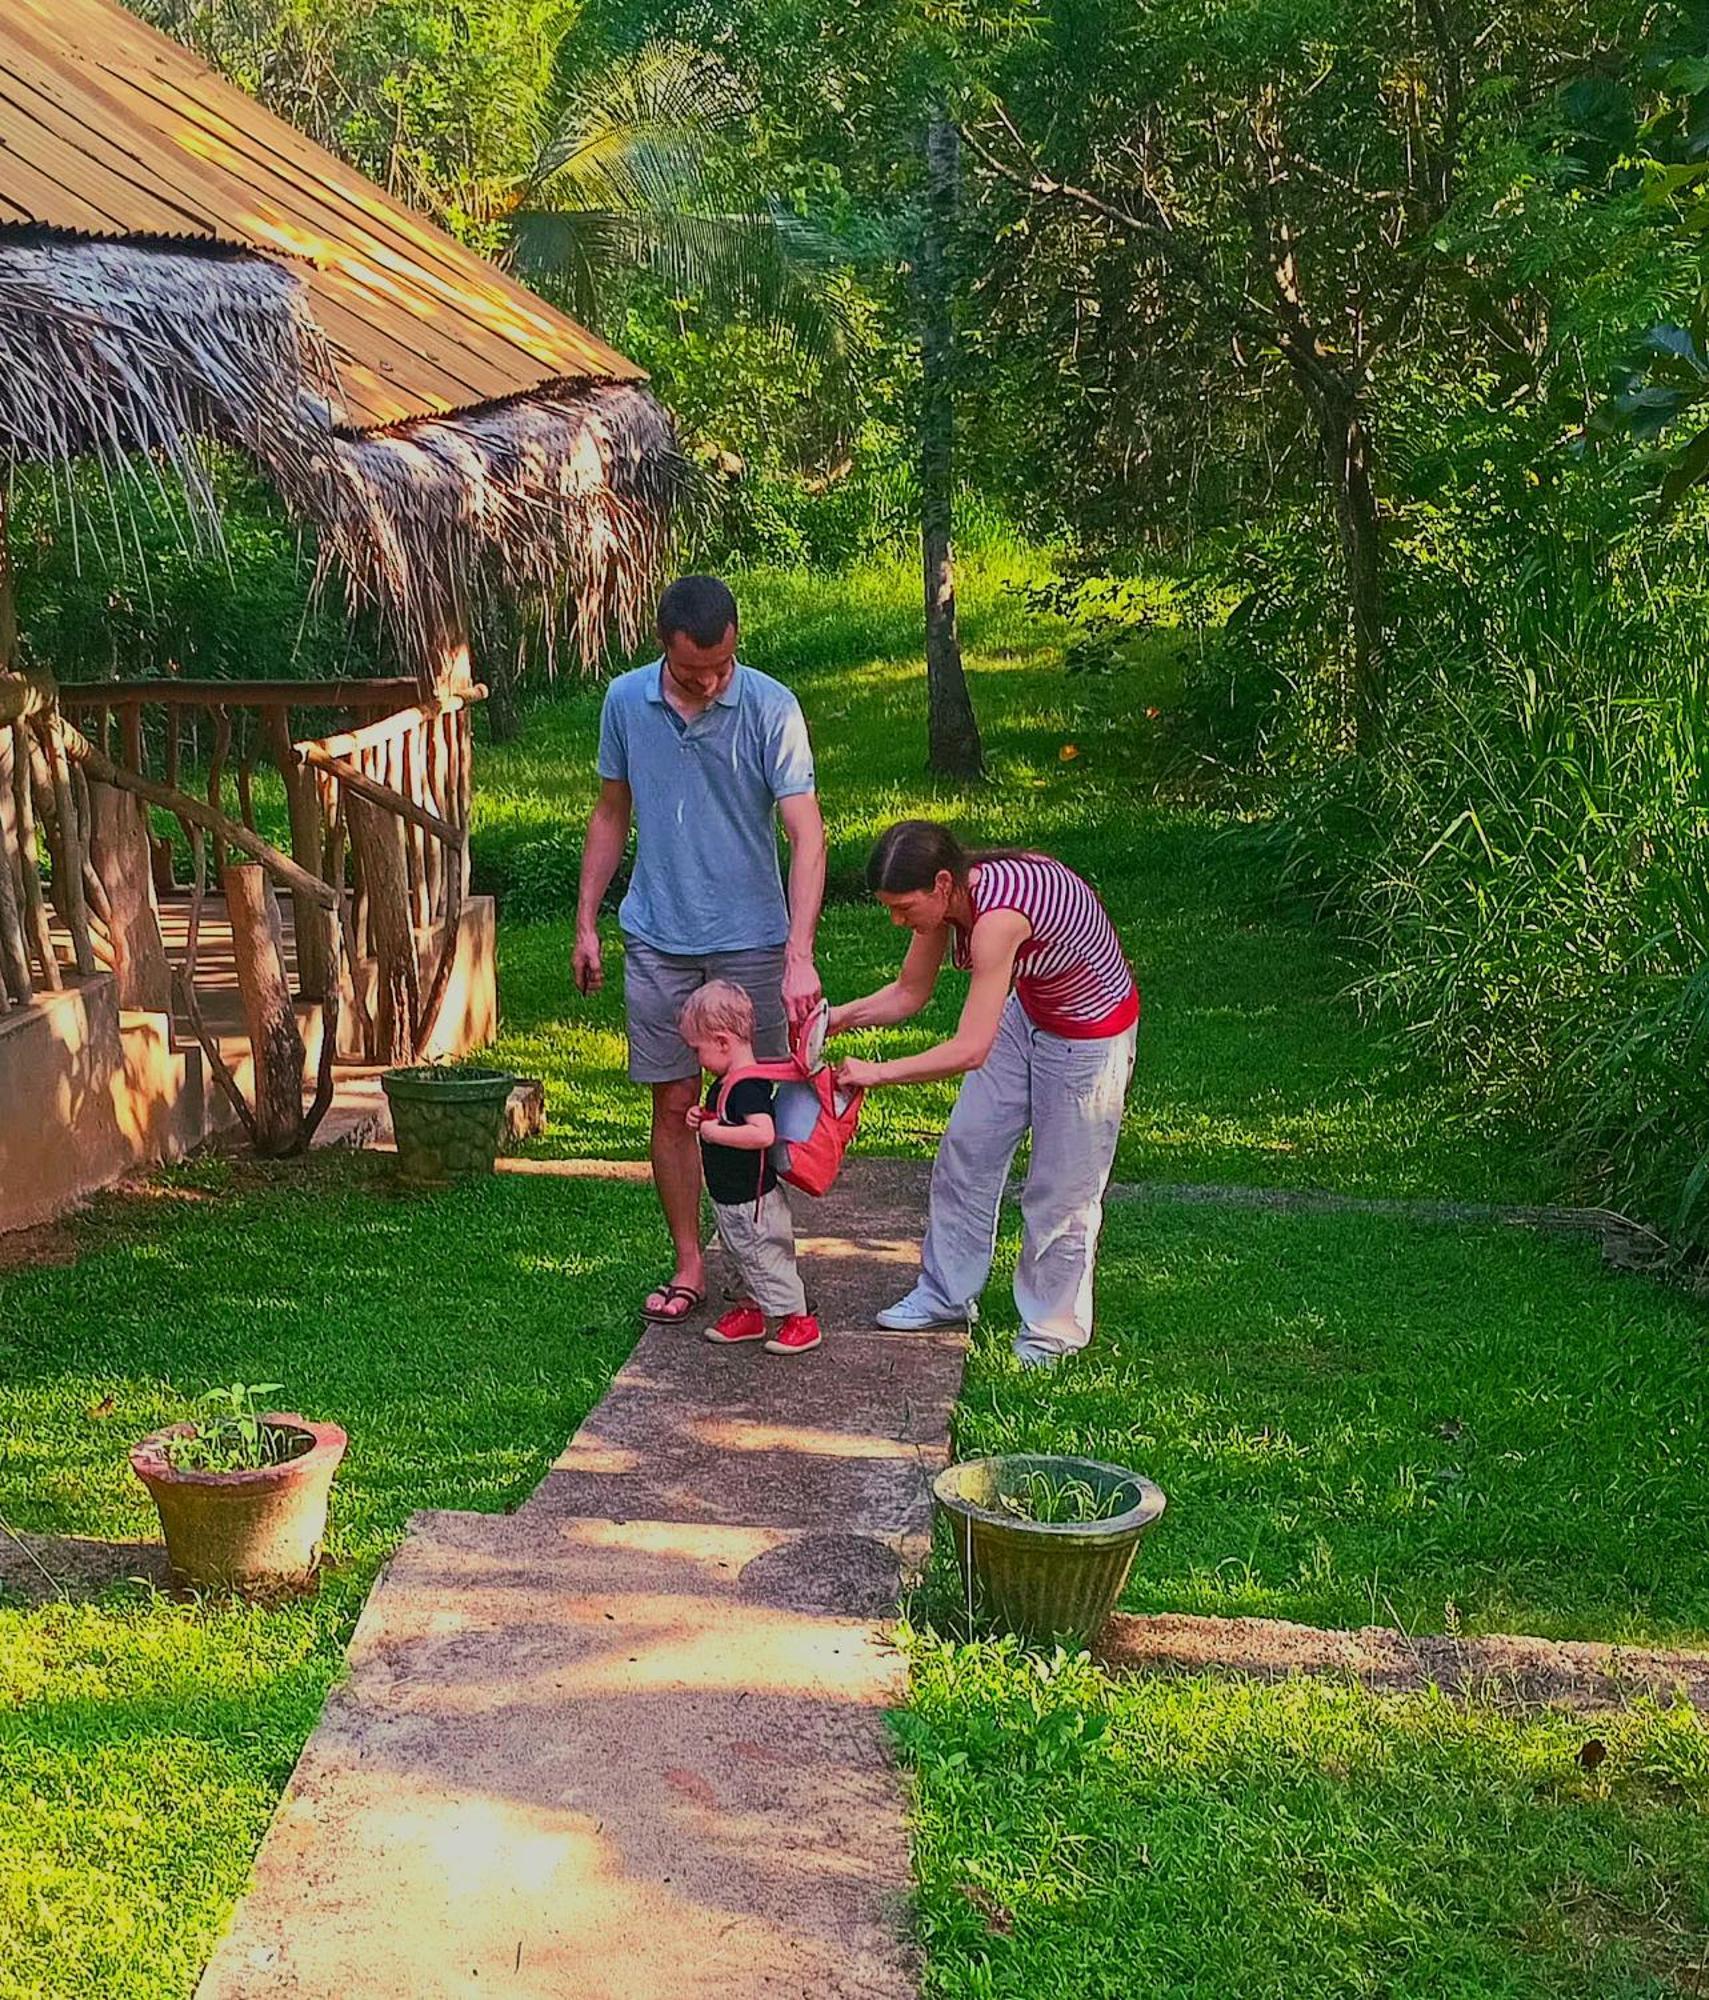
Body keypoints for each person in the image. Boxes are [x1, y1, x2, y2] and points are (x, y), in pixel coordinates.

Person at [574, 575, 826, 1324]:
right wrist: (587, 920)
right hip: (658, 935)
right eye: (693, 671)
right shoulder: (625, 702)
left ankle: (759, 1270)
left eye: (723, 664)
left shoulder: (770, 705)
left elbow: (806, 834)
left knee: (754, 1102)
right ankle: (690, 1263)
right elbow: (611, 812)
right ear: (663, 647)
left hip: (753, 937)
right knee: (675, 1101)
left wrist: (799, 952)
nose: (712, 680)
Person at [829, 820, 1138, 1366]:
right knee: (967, 1147)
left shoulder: (996, 922)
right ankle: (945, 1295)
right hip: (1032, 1011)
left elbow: (970, 1048)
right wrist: (834, 1020)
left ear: (943, 883)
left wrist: (876, 1073)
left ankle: (1051, 1333)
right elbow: (909, 992)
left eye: (903, 907)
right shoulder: (948, 899)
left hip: (1089, 1034)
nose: (898, 920)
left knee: (1061, 1191)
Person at [679, 981, 821, 1355]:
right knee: (738, 1258)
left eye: (699, 1049)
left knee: (766, 1258)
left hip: (752, 1200)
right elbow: (727, 1119)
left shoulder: (749, 1087)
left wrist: (714, 1132)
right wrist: (705, 1117)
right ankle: (750, 1310)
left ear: (723, 1042)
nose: (697, 1058)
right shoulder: (727, 1083)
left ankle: (799, 1320)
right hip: (730, 1197)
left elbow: (761, 1133)